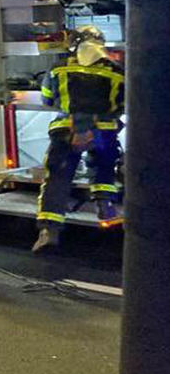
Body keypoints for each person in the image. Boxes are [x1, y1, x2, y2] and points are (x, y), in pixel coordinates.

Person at [33, 26, 125, 252]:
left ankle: (49, 230)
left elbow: (47, 99)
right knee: (103, 166)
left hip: (66, 130)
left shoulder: (58, 68)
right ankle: (105, 206)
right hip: (103, 132)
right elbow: (120, 105)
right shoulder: (116, 70)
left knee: (58, 177)